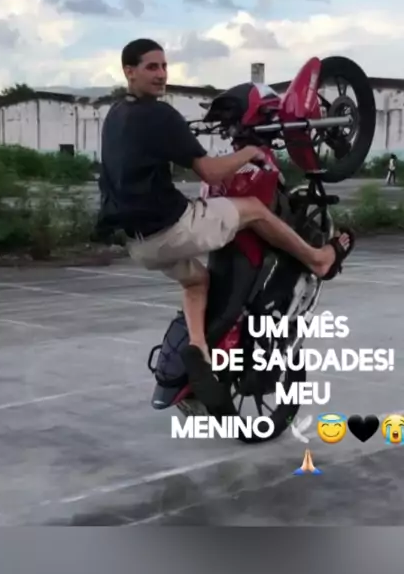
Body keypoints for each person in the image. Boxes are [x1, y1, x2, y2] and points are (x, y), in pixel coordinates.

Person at [97, 38, 355, 408]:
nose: (161, 74)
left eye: (164, 66)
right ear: (129, 71)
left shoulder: (117, 115)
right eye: (151, 67)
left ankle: (199, 349)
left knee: (196, 281)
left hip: (139, 244)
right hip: (173, 228)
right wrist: (249, 151)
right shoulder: (159, 114)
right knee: (252, 209)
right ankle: (318, 259)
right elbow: (210, 170)